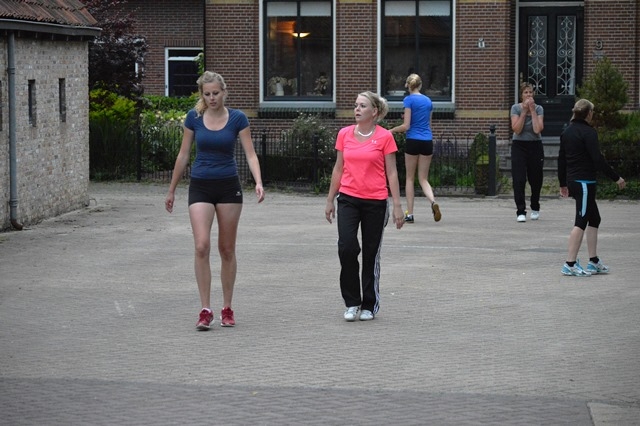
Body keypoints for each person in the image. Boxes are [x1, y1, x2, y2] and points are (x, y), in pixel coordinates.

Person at [165, 71, 265, 330]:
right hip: (200, 186)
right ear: (202, 94)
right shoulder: (194, 118)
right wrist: (172, 190)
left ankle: (227, 308)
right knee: (201, 246)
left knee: (227, 249)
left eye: (215, 93)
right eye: (207, 94)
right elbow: (183, 155)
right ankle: (205, 309)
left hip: (228, 187)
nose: (211, 98)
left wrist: (258, 181)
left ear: (224, 92)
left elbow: (250, 154)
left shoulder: (238, 118)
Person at [325, 91, 404, 322]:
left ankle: (369, 304)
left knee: (371, 253)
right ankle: (352, 302)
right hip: (348, 198)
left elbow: (392, 173)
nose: (357, 109)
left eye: (362, 106)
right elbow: (338, 168)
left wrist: (397, 205)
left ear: (374, 111)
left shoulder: (385, 137)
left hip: (375, 202)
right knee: (347, 247)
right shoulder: (344, 134)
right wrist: (330, 199)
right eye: (356, 105)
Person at [558, 99, 625, 276]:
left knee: (594, 218)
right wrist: (616, 177)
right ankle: (570, 263)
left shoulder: (567, 132)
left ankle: (593, 261)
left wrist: (563, 183)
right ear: (588, 114)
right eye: (592, 112)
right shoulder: (589, 132)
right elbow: (597, 159)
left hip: (574, 181)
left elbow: (561, 159)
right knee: (581, 222)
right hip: (584, 183)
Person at [389, 73, 441, 223]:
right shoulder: (428, 101)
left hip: (413, 140)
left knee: (410, 178)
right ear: (420, 85)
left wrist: (391, 130)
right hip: (427, 140)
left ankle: (410, 214)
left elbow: (406, 126)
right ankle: (433, 201)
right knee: (423, 178)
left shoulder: (408, 100)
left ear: (407, 85)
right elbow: (429, 124)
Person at [510, 82, 544, 222]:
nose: (529, 95)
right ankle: (520, 210)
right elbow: (516, 129)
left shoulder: (539, 109)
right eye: (526, 92)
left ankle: (535, 206)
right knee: (519, 179)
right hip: (519, 146)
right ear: (521, 95)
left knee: (536, 179)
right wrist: (524, 112)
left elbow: (537, 129)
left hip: (535, 145)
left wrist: (533, 111)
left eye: (530, 92)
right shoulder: (515, 108)